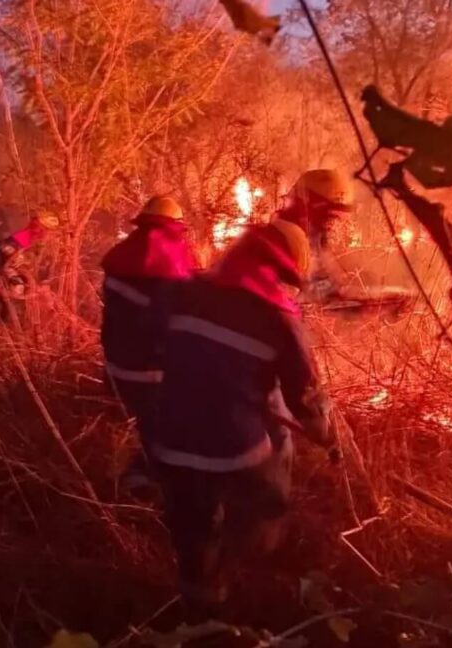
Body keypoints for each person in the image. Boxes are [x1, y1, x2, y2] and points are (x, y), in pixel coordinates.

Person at [150, 218, 337, 612]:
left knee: (193, 531)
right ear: (283, 271)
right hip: (232, 447)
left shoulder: (185, 289)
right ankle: (243, 581)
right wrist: (329, 438)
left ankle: (197, 611)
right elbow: (305, 400)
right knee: (267, 499)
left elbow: (158, 343)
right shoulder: (278, 319)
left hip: (168, 438)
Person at [100, 196, 198, 489]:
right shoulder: (170, 264)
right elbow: (173, 324)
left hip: (117, 366)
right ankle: (151, 483)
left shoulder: (120, 258)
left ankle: (139, 477)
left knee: (145, 427)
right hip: (154, 372)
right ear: (174, 228)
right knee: (168, 432)